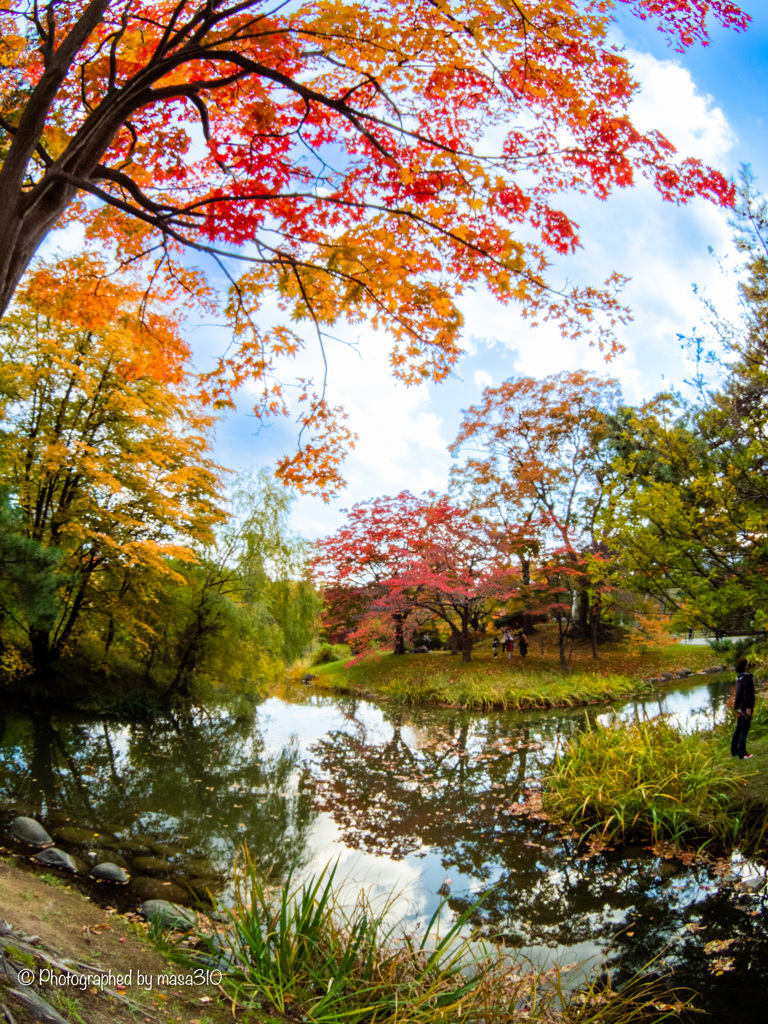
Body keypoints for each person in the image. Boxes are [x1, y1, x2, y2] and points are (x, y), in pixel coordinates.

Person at [731, 657, 756, 760]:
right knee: (743, 731)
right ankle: (743, 753)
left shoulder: (739, 678)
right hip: (745, 708)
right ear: (745, 667)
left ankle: (734, 751)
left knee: (738, 730)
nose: (749, 665)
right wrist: (749, 707)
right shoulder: (746, 678)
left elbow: (738, 695)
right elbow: (747, 694)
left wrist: (736, 707)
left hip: (740, 707)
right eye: (747, 664)